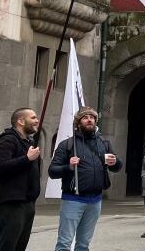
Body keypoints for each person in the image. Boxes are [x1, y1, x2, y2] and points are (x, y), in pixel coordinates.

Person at [48, 106, 122, 251]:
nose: (89, 120)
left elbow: (116, 167)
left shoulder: (104, 143)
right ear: (78, 122)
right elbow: (52, 171)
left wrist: (116, 162)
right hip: (73, 199)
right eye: (85, 117)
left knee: (83, 244)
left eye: (92, 117)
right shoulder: (67, 144)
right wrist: (68, 166)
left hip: (95, 200)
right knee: (64, 243)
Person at [0, 107, 41, 251]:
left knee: (19, 246)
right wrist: (27, 159)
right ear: (21, 121)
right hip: (11, 202)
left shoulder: (29, 143)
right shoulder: (7, 141)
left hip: (27, 202)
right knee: (8, 246)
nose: (37, 121)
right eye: (33, 118)